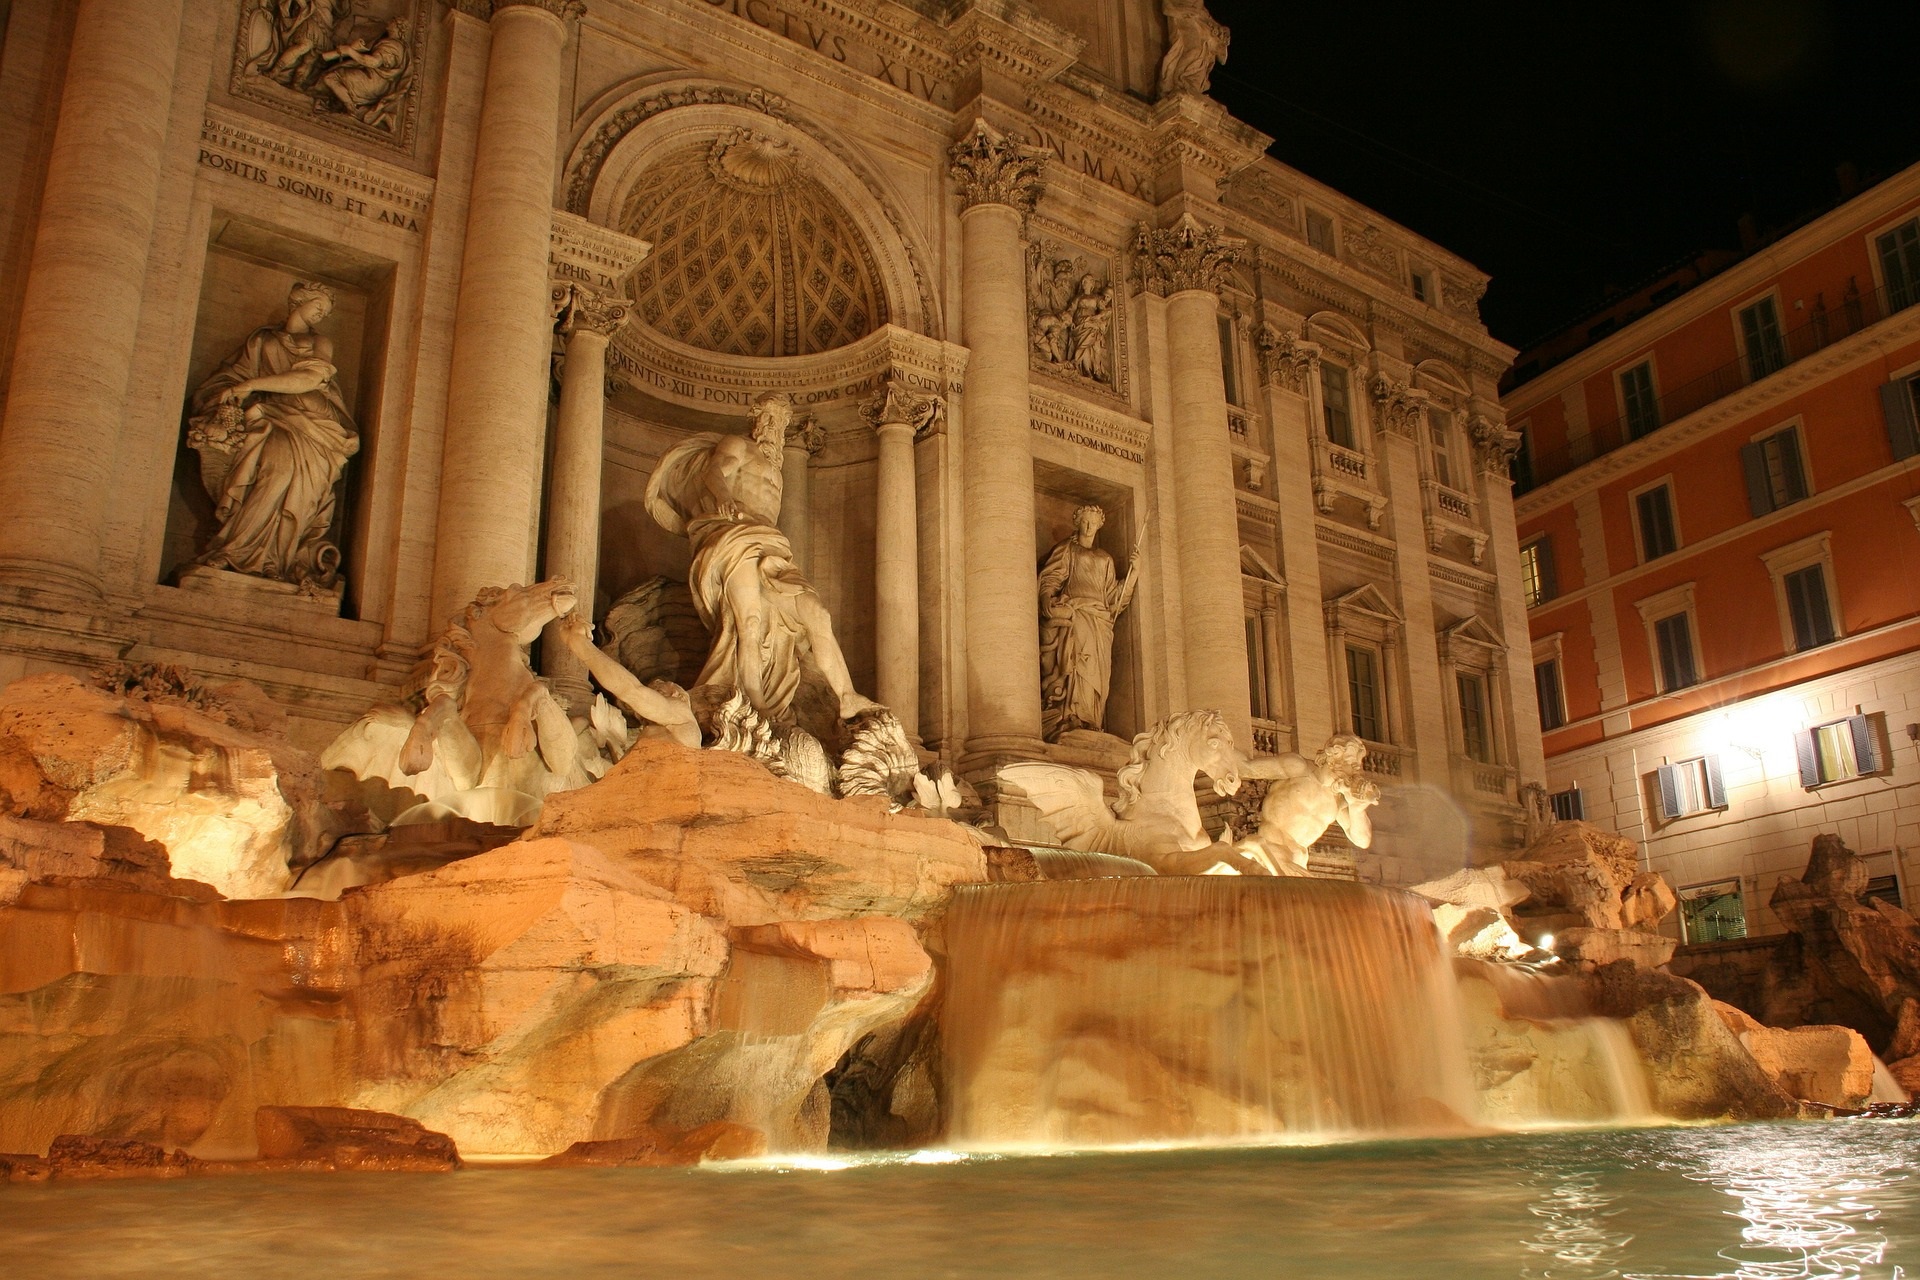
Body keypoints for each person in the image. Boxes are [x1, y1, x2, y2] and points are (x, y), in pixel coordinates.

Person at [644, 392, 881, 725]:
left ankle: (846, 696)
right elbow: (714, 471)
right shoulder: (738, 445)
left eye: (780, 422)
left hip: (770, 546)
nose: (773, 427)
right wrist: (724, 498)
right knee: (749, 624)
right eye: (768, 419)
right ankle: (756, 709)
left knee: (817, 614)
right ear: (756, 422)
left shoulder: (778, 470)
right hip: (734, 535)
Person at [186, 281, 359, 588]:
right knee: (275, 472)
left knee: (297, 488)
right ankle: (239, 551)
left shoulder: (321, 343)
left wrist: (253, 386)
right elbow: (231, 377)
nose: (321, 315)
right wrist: (228, 396)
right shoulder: (262, 339)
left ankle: (276, 560)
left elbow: (310, 377)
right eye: (318, 307)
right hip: (272, 418)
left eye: (326, 311)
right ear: (298, 300)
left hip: (316, 426)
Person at [1037, 504, 1139, 740]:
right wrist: (1045, 598)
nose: (1089, 526)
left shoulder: (1105, 559)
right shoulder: (1067, 550)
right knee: (1078, 665)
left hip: (1101, 621)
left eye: (1093, 522)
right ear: (1077, 523)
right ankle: (1072, 715)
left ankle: (1092, 718)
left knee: (1098, 673)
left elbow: (1114, 598)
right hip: (1078, 614)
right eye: (1085, 521)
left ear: (1100, 525)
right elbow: (1052, 577)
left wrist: (1133, 574)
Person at [318, 18, 411, 129]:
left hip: (372, 81)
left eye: (392, 21)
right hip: (378, 84)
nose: (388, 22)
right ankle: (379, 116)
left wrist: (349, 51)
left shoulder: (392, 45)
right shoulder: (397, 46)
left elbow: (374, 62)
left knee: (331, 78)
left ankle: (352, 111)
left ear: (397, 26)